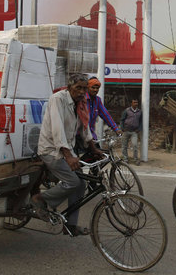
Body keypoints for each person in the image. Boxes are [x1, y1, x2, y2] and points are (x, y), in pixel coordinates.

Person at [32, 73, 104, 236]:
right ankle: (41, 199)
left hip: (67, 151)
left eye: (84, 89)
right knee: (72, 181)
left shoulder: (81, 102)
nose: (81, 92)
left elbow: (84, 128)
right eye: (78, 88)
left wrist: (94, 148)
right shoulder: (58, 99)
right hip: (51, 150)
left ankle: (70, 225)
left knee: (81, 185)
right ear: (69, 87)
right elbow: (57, 129)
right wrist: (69, 156)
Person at [85, 77, 122, 141]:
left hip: (91, 135)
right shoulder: (82, 99)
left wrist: (116, 129)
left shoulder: (97, 100)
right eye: (93, 88)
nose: (95, 90)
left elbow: (106, 115)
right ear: (88, 88)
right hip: (81, 136)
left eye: (97, 88)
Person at [120, 99, 143, 165]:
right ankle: (125, 159)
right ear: (131, 103)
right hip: (126, 131)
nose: (136, 103)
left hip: (134, 132)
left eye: (137, 102)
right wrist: (122, 128)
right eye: (134, 102)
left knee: (135, 145)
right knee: (124, 146)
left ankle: (135, 159)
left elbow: (141, 121)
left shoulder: (139, 112)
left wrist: (139, 129)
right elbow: (122, 120)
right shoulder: (127, 111)